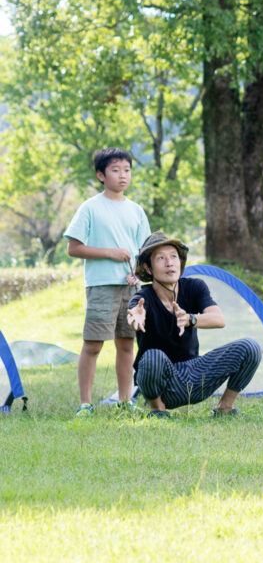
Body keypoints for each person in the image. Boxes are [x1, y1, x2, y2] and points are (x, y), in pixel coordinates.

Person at [126, 231, 262, 418]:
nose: (169, 262)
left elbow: (218, 319)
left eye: (174, 257)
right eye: (161, 258)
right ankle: (158, 411)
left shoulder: (194, 287)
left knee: (250, 347)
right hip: (163, 381)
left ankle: (225, 408)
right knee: (152, 357)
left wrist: (191, 319)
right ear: (148, 268)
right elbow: (134, 315)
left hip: (194, 375)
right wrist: (136, 317)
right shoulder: (142, 297)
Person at [64, 147, 151, 417]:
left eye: (127, 170)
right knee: (93, 344)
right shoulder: (90, 207)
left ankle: (126, 400)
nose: (123, 175)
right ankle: (85, 404)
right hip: (101, 286)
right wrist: (110, 253)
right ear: (101, 175)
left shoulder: (136, 210)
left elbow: (146, 251)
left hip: (132, 288)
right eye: (115, 170)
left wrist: (139, 275)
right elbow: (74, 248)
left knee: (127, 343)